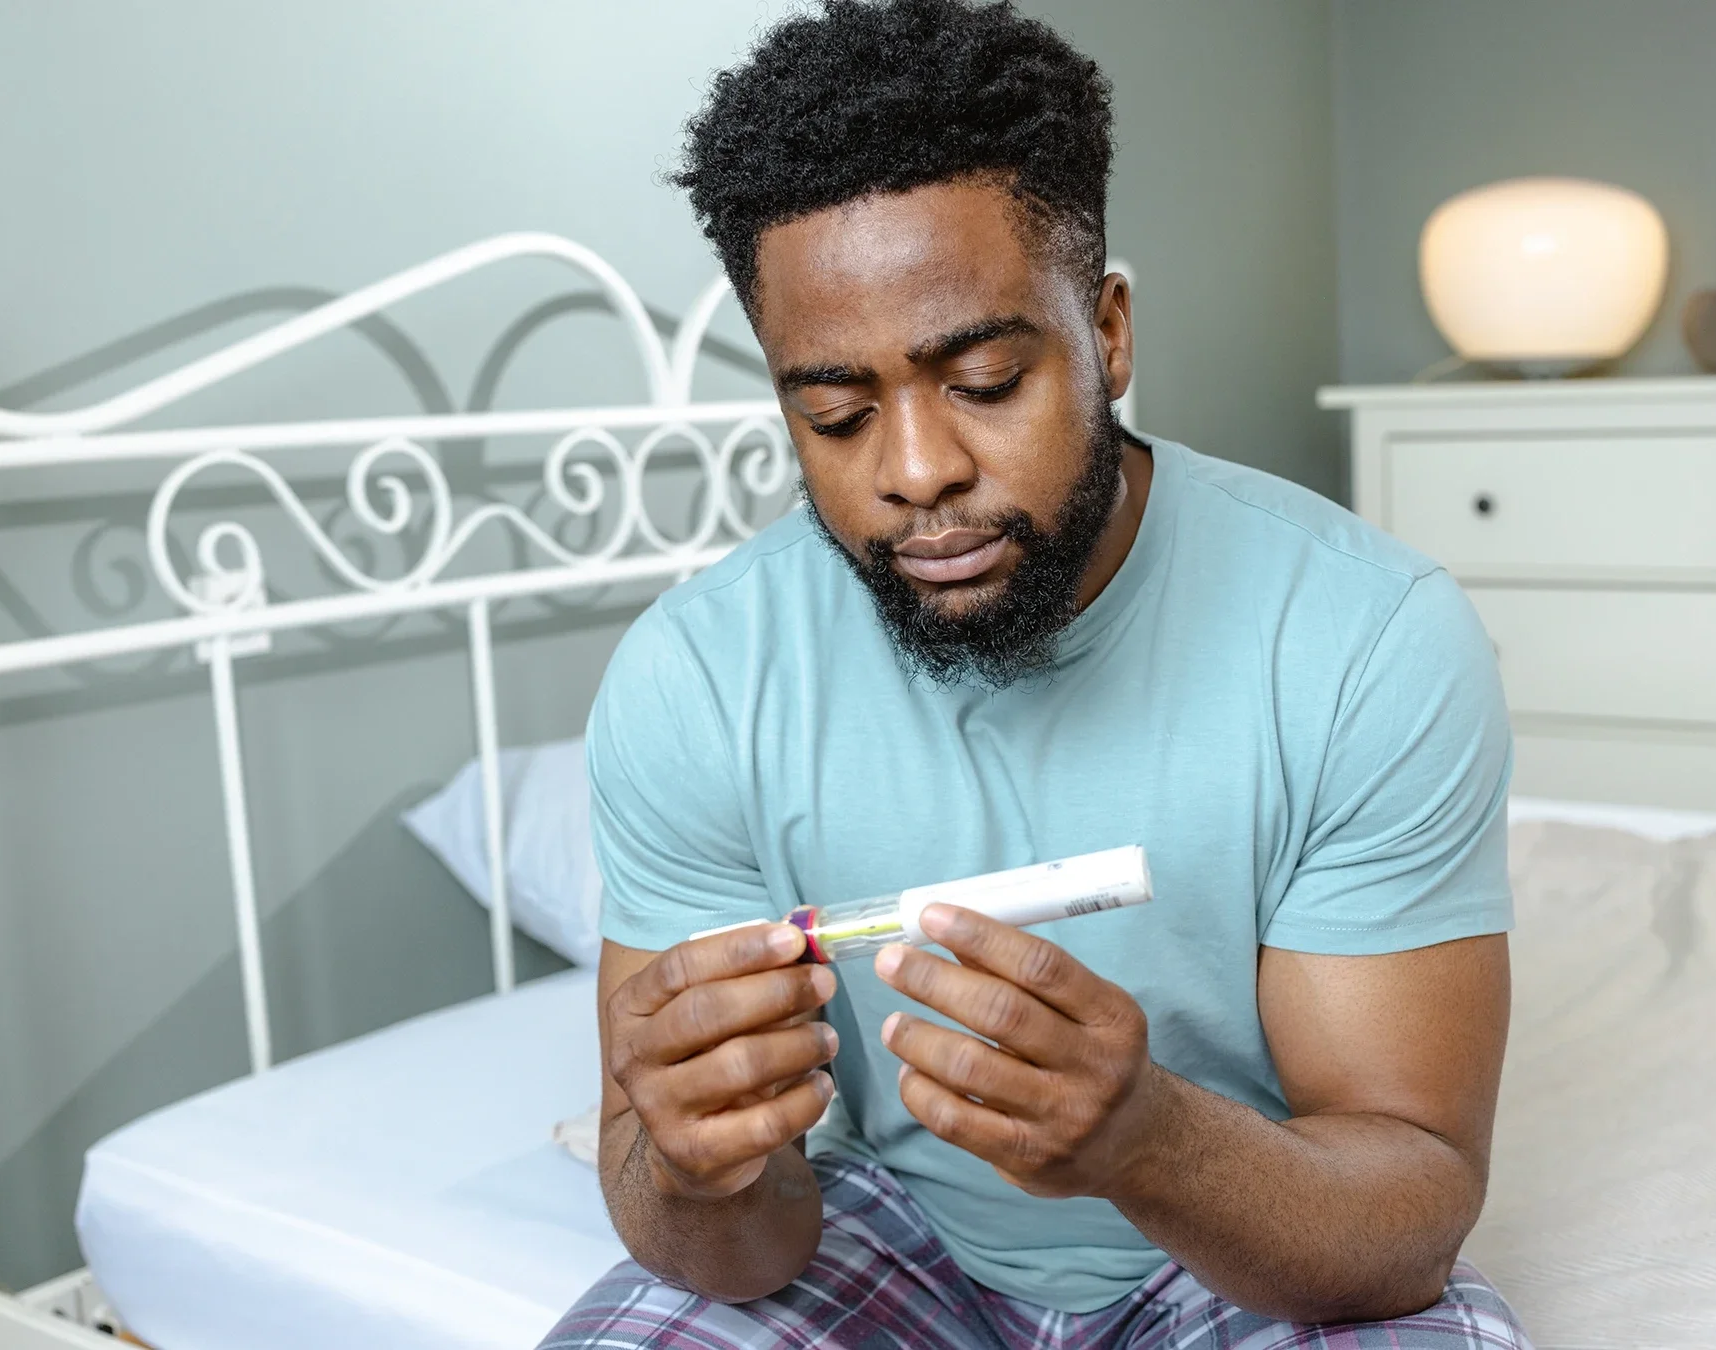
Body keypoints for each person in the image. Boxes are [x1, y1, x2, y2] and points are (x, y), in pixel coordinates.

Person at [541, 2, 1529, 1346]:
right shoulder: (695, 679)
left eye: (988, 381)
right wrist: (694, 1166)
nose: (913, 470)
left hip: (1251, 1220)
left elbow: (1408, 1217)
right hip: (884, 1220)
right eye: (833, 414)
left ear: (1109, 333)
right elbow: (723, 1244)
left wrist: (1148, 1136)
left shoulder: (1366, 637)